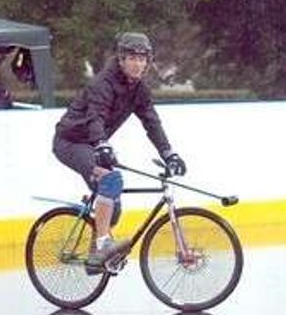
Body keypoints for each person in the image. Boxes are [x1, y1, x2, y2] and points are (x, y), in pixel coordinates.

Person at [52, 32, 186, 273]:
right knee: (111, 179)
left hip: (93, 144)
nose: (138, 64)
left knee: (115, 206)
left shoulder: (139, 89)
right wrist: (102, 143)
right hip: (71, 142)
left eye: (143, 59)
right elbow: (96, 117)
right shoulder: (102, 83)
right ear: (121, 59)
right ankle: (103, 245)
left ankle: (96, 258)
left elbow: (151, 122)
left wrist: (169, 153)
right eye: (132, 58)